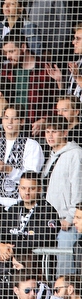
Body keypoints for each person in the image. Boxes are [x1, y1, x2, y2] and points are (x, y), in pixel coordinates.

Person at [42, 116, 82, 275]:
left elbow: (78, 186)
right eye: (47, 131)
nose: (50, 136)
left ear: (65, 132)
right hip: (49, 220)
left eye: (55, 131)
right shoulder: (51, 155)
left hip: (66, 222)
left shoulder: (76, 154)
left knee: (64, 270)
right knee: (49, 267)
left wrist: (71, 217)